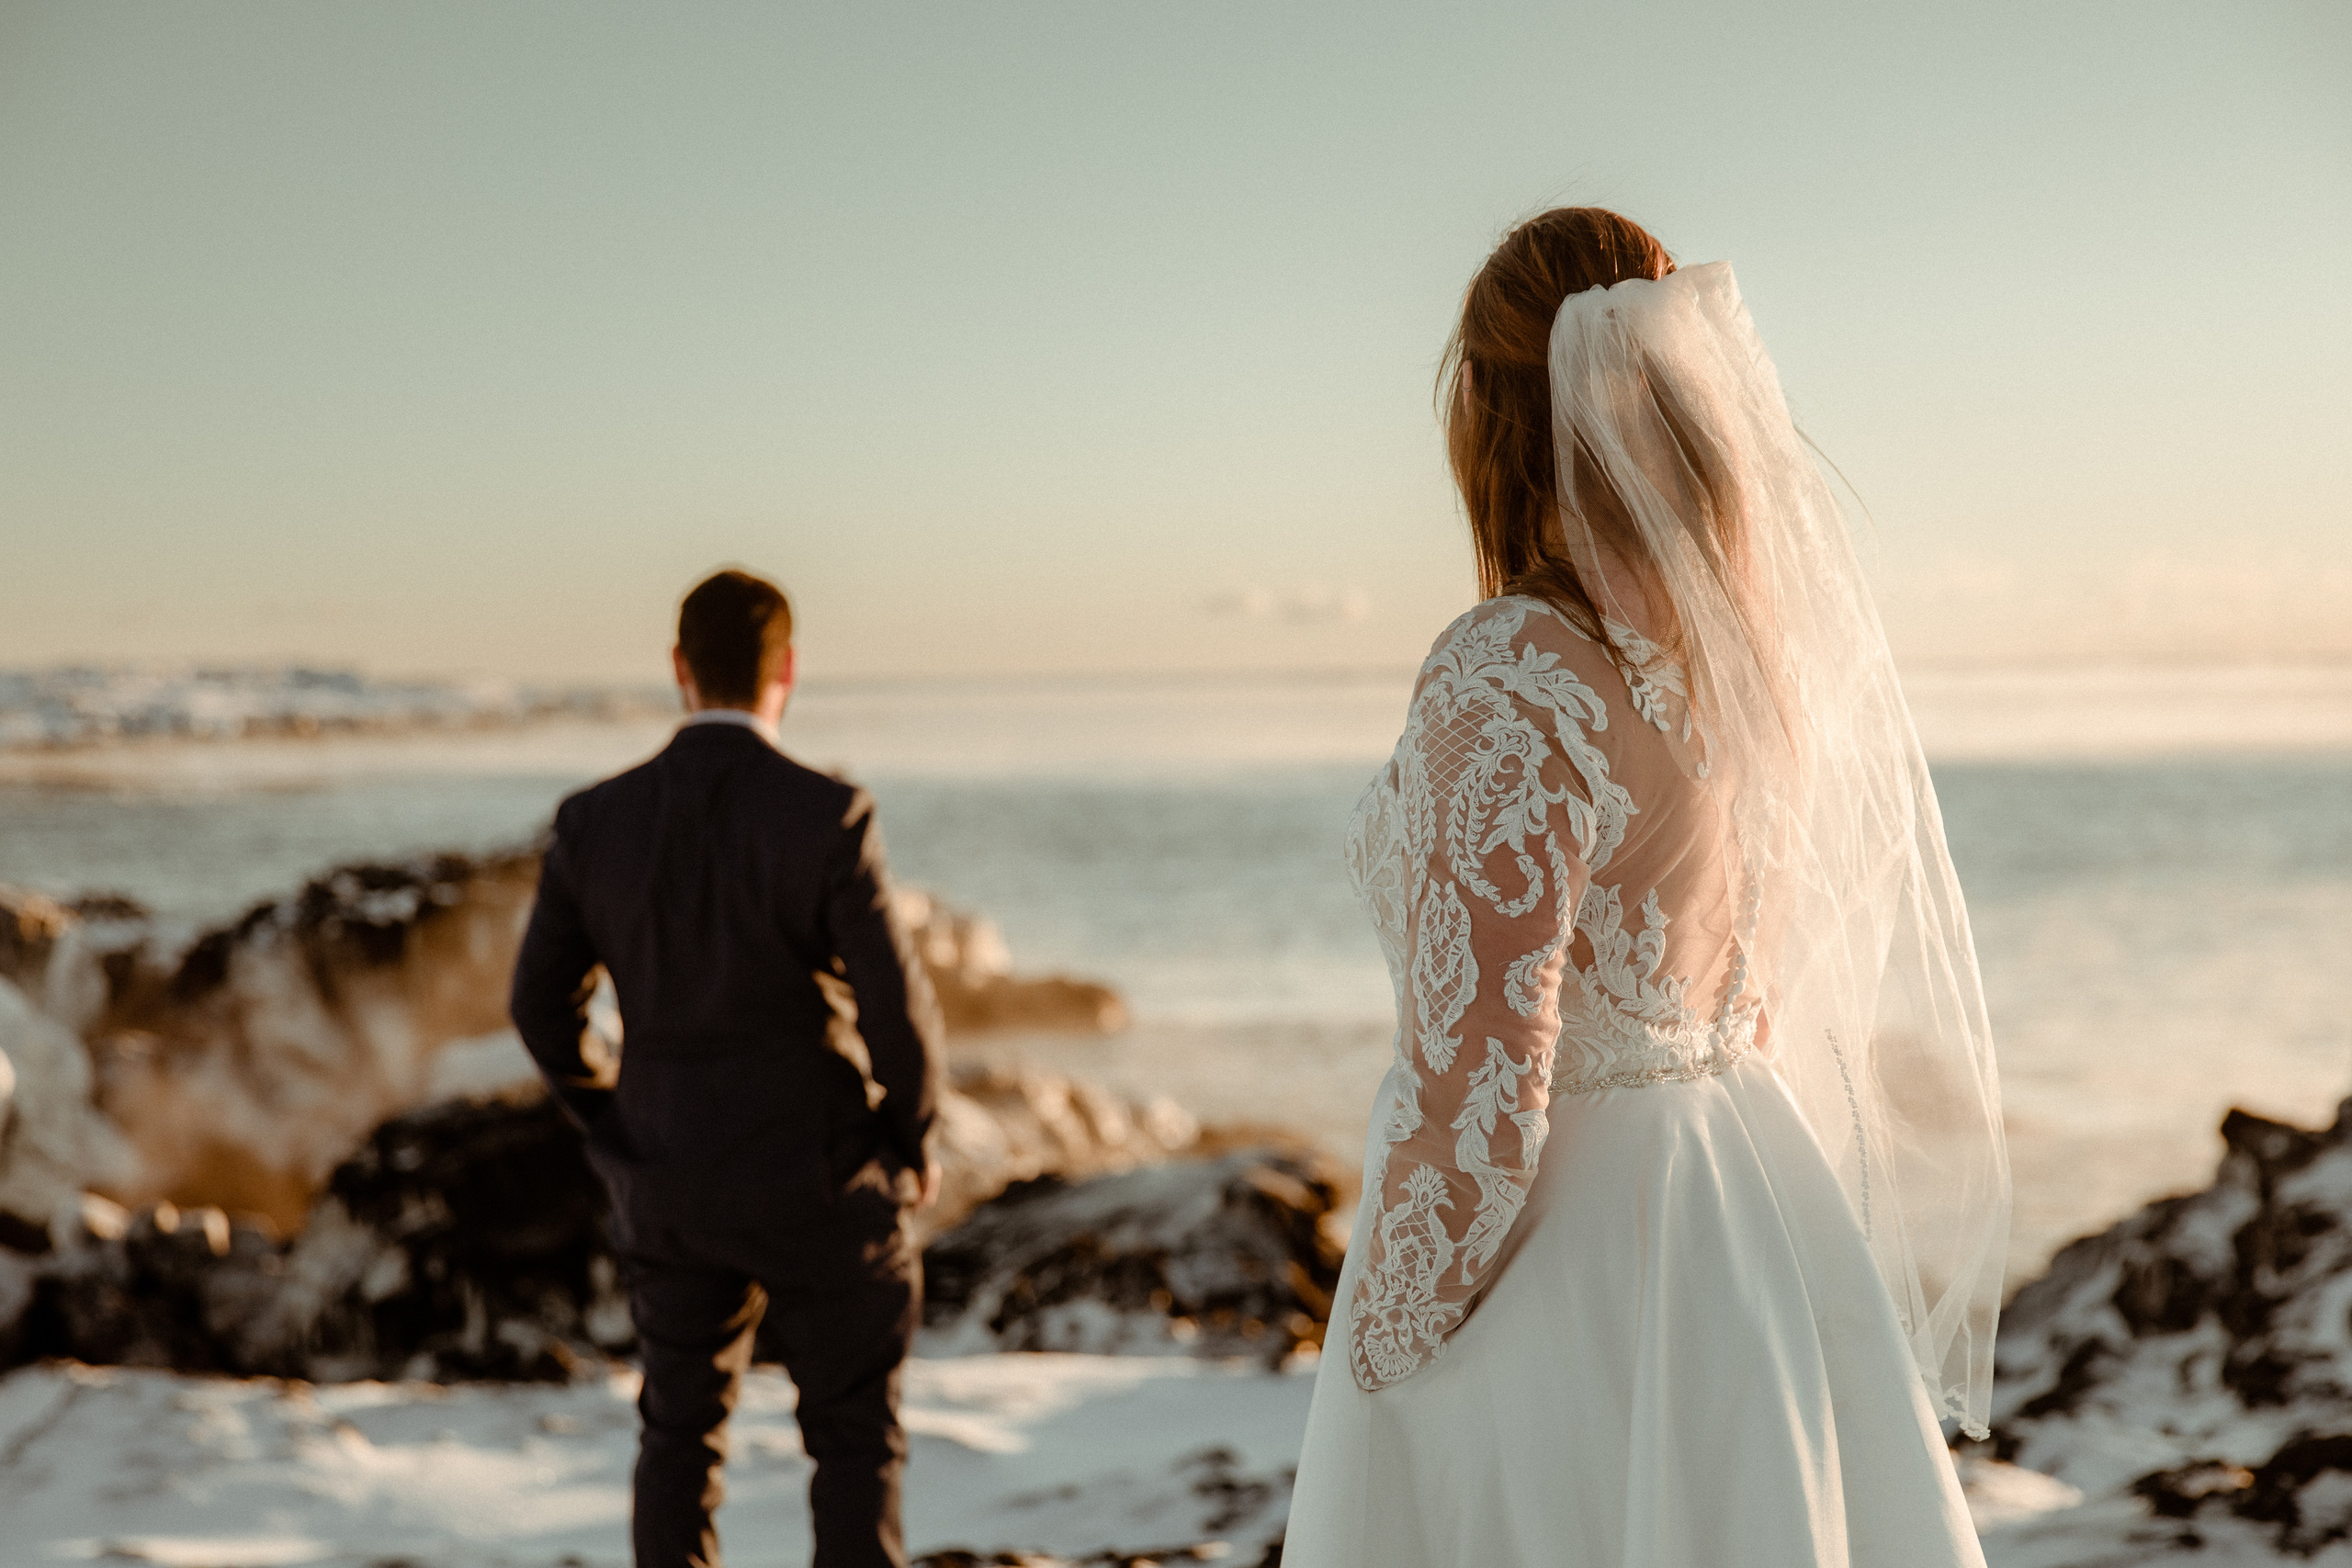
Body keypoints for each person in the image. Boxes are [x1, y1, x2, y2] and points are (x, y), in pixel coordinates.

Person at [1283, 209, 2010, 1566]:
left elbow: (1486, 1089)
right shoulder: (1748, 661)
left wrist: (1382, 1343)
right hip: (1746, 1206)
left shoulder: (1511, 669)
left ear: (1491, 426)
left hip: (1573, 1260)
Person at [510, 568, 944, 1568]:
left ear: (678, 671)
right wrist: (908, 1137)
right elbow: (896, 1010)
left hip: (665, 1178)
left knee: (677, 1439)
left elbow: (539, 1007)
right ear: (786, 670)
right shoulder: (828, 813)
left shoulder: (593, 821)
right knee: (852, 1444)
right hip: (821, 1175)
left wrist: (616, 1123)